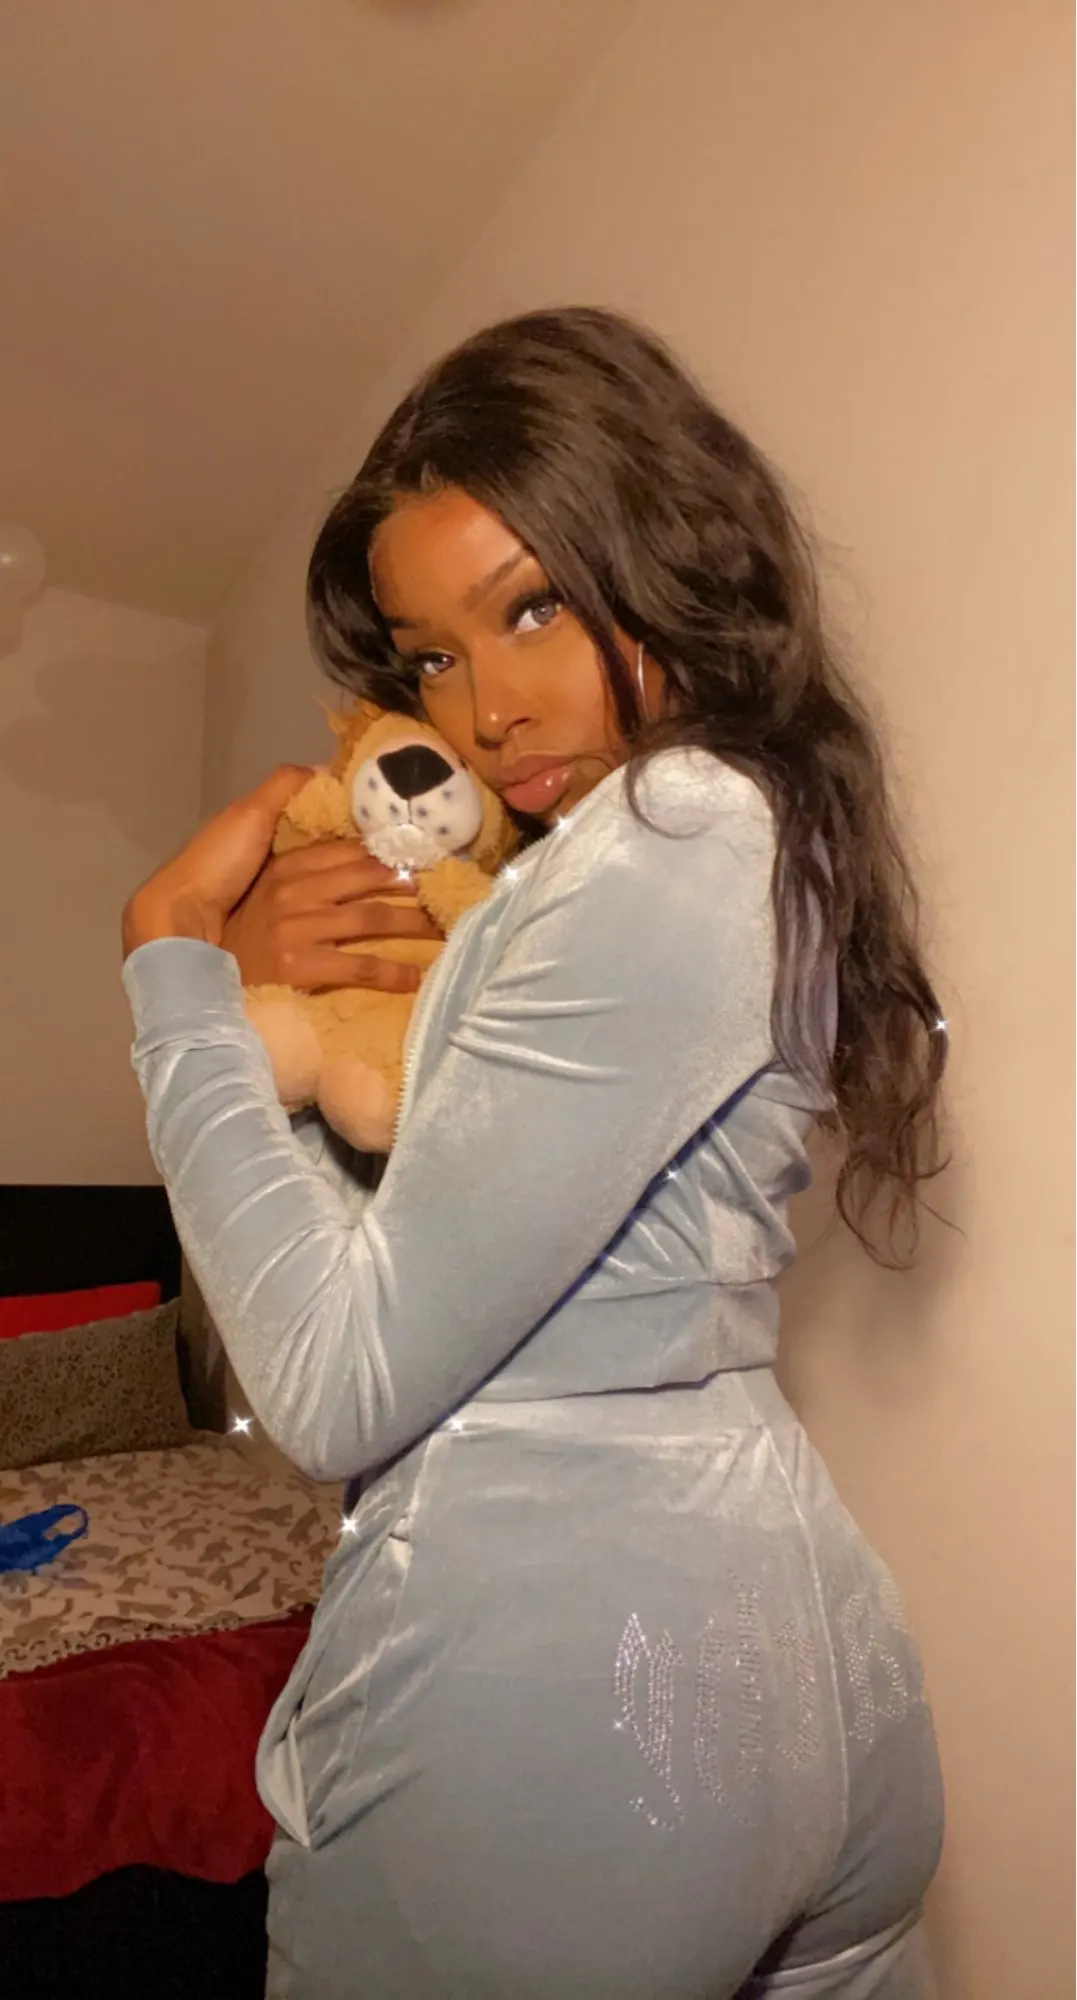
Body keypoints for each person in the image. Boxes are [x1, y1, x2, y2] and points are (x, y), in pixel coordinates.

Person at [122, 308, 946, 1999]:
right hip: (799, 1659)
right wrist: (324, 1041)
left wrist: (179, 981)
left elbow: (334, 1384)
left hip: (569, 1711)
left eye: (533, 607)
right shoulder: (751, 831)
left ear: (669, 549)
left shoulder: (674, 825)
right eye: (430, 658)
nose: (488, 710)